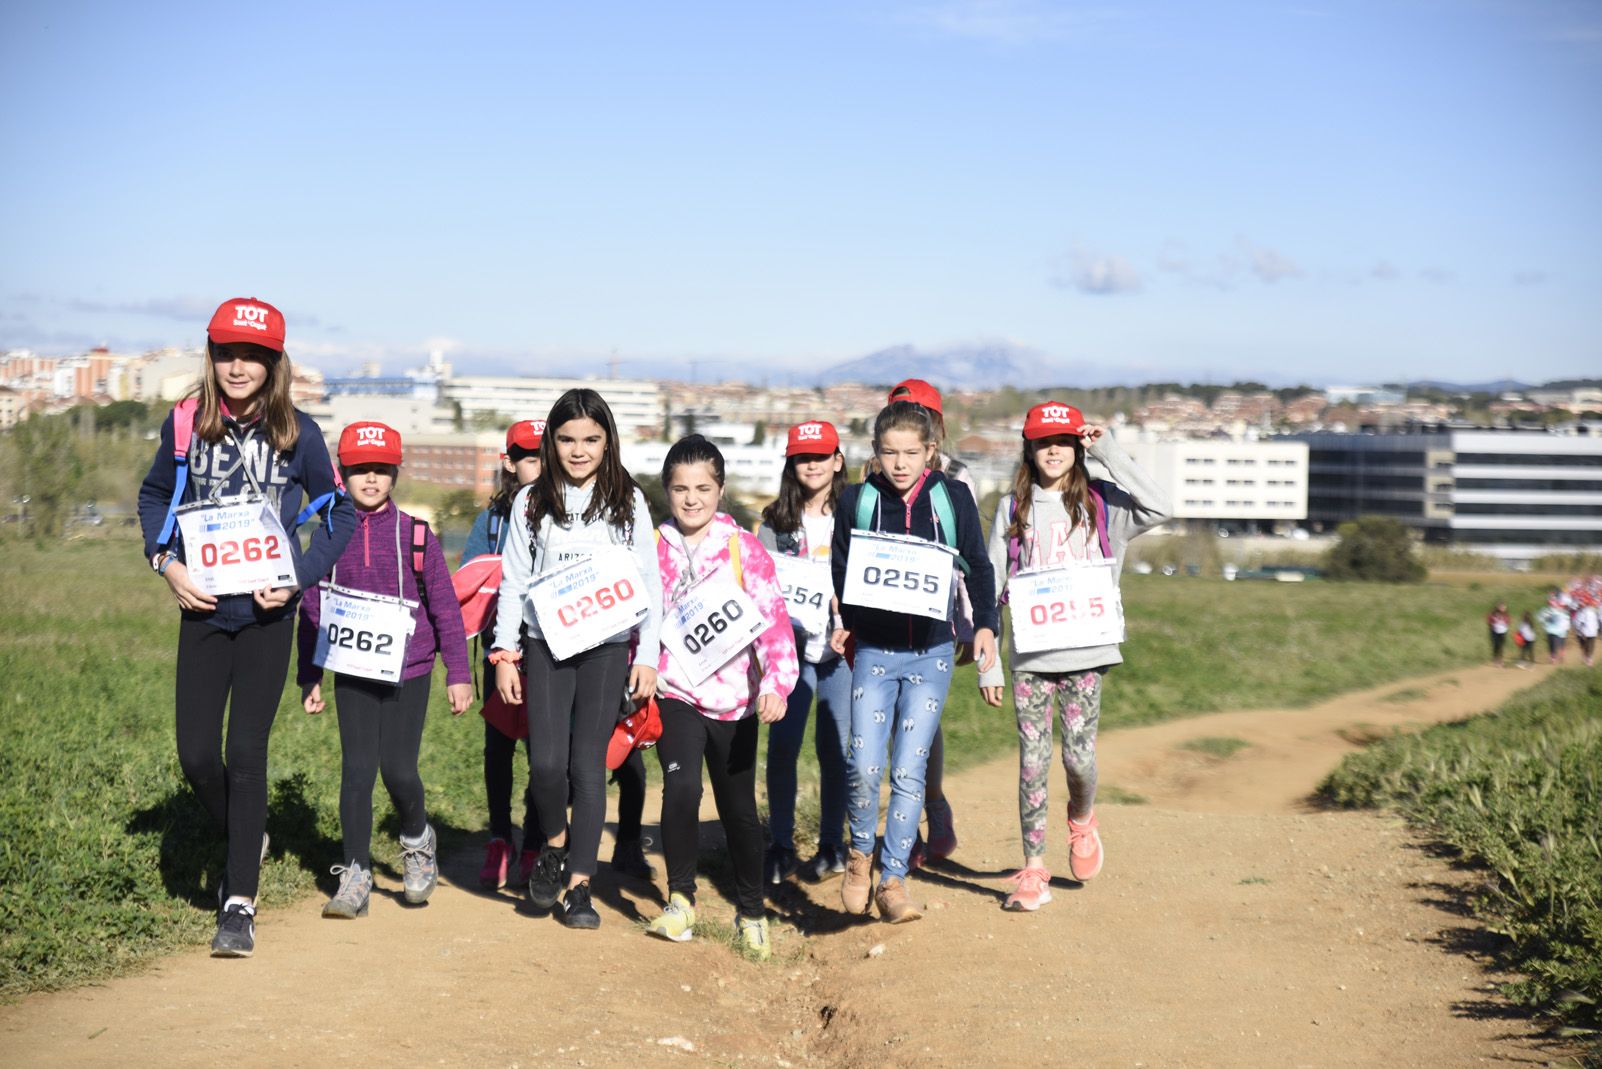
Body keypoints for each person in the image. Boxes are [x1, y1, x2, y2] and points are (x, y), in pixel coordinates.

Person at [137, 297, 355, 957]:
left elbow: (339, 513)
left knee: (245, 754)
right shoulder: (185, 421)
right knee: (197, 754)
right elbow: (154, 496)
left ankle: (238, 905)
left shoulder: (301, 433)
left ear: (273, 364)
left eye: (252, 356)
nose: (238, 367)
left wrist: (299, 576)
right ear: (212, 356)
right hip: (202, 609)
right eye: (227, 354)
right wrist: (166, 563)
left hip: (268, 615)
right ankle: (246, 833)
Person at [977, 402, 1171, 911]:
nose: (1053, 450)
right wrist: (989, 663)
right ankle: (1033, 869)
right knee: (1033, 762)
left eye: (1063, 441)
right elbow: (992, 585)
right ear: (1029, 449)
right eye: (1043, 442)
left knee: (1078, 759)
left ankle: (1082, 820)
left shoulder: (1104, 504)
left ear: (1077, 447)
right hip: (1031, 659)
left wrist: (1108, 452)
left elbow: (1160, 507)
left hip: (1087, 653)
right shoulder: (1011, 509)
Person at [491, 388, 662, 929]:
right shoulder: (530, 500)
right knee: (546, 765)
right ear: (551, 440)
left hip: (607, 649)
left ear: (608, 441)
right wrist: (504, 653)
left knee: (587, 767)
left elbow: (650, 582)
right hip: (546, 646)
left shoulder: (629, 500)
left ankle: (580, 887)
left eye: (591, 439)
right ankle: (555, 845)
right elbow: (513, 580)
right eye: (567, 439)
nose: (579, 450)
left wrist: (647, 653)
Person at [830, 401, 998, 923]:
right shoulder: (856, 500)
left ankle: (894, 879)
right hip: (874, 653)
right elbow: (841, 567)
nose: (899, 463)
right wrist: (849, 618)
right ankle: (860, 855)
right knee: (863, 764)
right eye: (889, 453)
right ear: (875, 452)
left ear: (931, 451)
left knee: (909, 770)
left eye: (910, 453)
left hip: (932, 655)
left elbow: (978, 566)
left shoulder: (952, 499)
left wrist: (987, 624)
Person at [298, 422, 473, 917]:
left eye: (381, 469)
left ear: (395, 473)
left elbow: (445, 608)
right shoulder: (329, 534)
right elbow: (311, 604)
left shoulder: (417, 535)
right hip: (351, 669)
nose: (371, 479)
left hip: (409, 670)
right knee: (357, 771)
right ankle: (355, 874)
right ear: (342, 473)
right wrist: (310, 674)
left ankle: (417, 840)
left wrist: (458, 672)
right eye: (359, 470)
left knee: (398, 770)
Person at [645, 436, 798, 958]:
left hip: (736, 701)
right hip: (675, 692)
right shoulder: (651, 547)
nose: (691, 499)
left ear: (720, 489)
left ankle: (752, 913)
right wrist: (638, 671)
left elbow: (774, 623)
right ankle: (680, 901)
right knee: (681, 787)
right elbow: (637, 620)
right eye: (680, 489)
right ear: (667, 490)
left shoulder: (744, 549)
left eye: (703, 489)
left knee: (738, 810)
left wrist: (776, 684)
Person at [757, 420, 851, 885]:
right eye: (802, 457)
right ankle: (780, 844)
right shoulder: (773, 523)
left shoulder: (855, 513)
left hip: (842, 650)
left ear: (838, 461)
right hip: (790, 651)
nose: (811, 465)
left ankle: (833, 844)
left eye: (820, 456)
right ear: (791, 464)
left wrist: (847, 622)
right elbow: (760, 587)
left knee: (836, 748)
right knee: (784, 746)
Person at [884, 379, 972, 864]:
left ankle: (931, 806)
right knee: (889, 723)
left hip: (935, 619)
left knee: (920, 721)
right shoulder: (875, 472)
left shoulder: (957, 476)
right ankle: (909, 822)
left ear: (936, 425)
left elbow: (970, 556)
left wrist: (972, 622)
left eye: (923, 413)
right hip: (881, 615)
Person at [1537, 595, 1570, 665]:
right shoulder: (1546, 610)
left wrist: (1566, 627)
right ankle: (1553, 656)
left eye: (1553, 602)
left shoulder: (1560, 610)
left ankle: (1556, 656)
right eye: (1550, 602)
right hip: (1549, 630)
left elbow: (1565, 619)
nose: (1551, 604)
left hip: (1559, 631)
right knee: (1550, 643)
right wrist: (1544, 619)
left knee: (1557, 643)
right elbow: (1540, 617)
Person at [1572, 592, 1598, 668]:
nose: (1581, 604)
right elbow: (1578, 621)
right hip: (1586, 631)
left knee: (1589, 645)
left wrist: (1579, 630)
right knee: (1586, 645)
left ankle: (1589, 658)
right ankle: (1587, 657)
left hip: (1587, 631)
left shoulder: (1589, 611)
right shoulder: (1582, 611)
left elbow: (1580, 622)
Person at [1487, 602, 1510, 668]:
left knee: (1501, 646)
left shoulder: (1505, 615)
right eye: (1502, 607)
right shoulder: (1493, 614)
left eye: (1504, 607)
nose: (1503, 608)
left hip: (1503, 632)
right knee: (1496, 645)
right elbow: (1489, 620)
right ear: (1498, 607)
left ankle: (1500, 660)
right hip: (1494, 632)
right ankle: (1495, 659)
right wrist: (1492, 626)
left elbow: (1508, 621)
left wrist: (1505, 624)